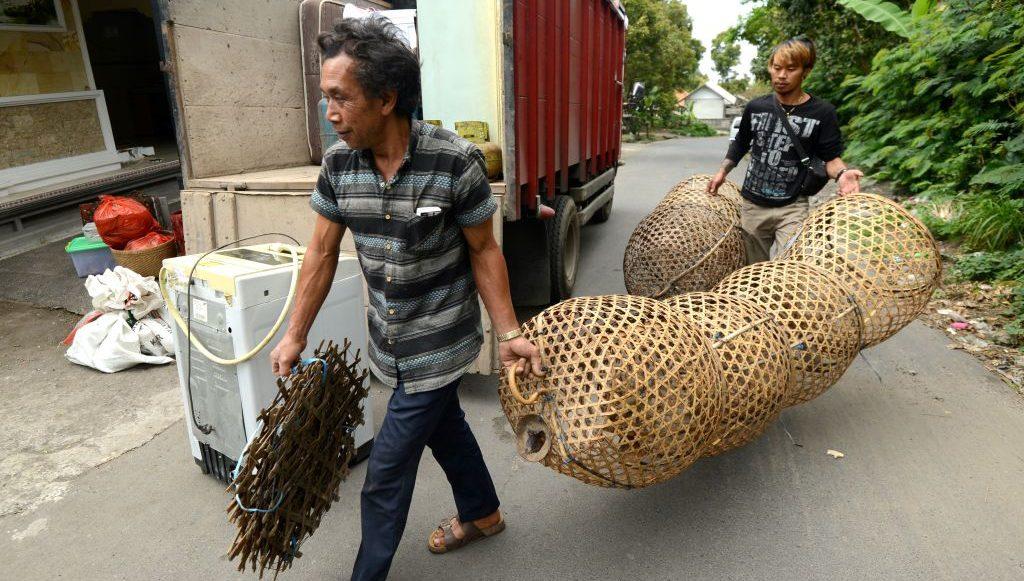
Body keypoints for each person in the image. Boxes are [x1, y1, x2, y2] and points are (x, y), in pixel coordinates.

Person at [268, 17, 544, 581]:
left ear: (387, 99)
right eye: (326, 98)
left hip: (439, 342)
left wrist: (511, 332)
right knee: (446, 429)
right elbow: (320, 254)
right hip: (385, 342)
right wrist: (294, 332)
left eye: (341, 98)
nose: (330, 112)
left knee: (386, 471)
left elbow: (485, 251)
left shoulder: (453, 162)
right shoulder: (339, 168)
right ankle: (484, 513)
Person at [707, 37, 864, 263]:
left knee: (787, 271)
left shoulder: (822, 112)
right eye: (777, 67)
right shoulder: (756, 107)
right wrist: (722, 172)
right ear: (770, 67)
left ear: (805, 71)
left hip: (793, 206)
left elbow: (831, 158)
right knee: (752, 273)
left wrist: (842, 175)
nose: (781, 75)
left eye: (791, 69)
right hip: (753, 205)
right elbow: (740, 143)